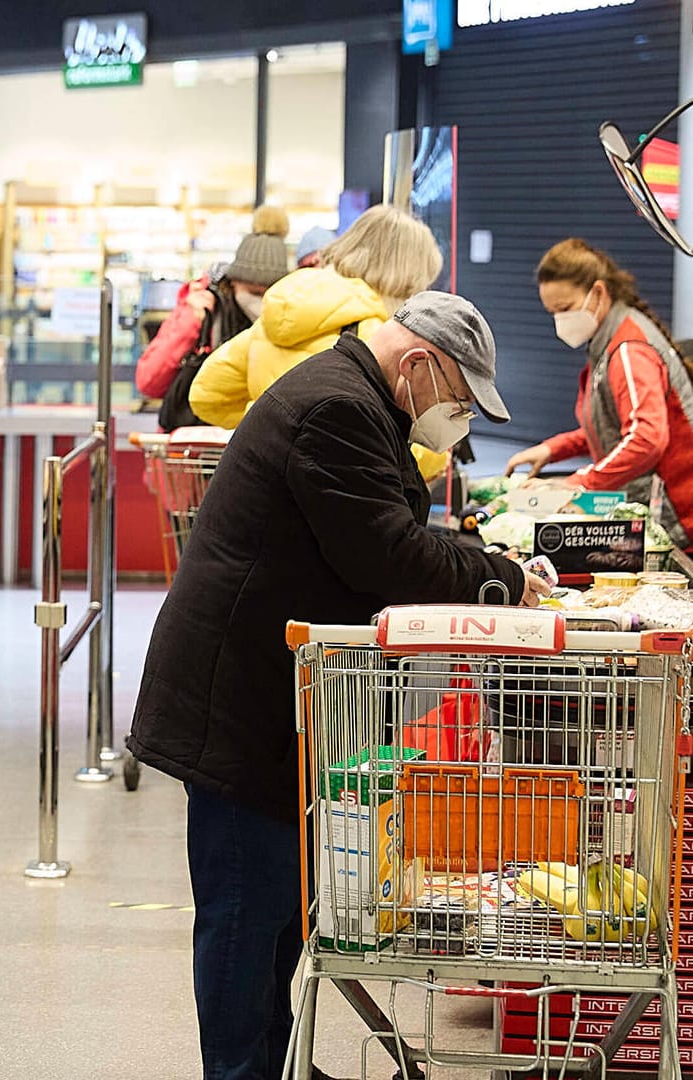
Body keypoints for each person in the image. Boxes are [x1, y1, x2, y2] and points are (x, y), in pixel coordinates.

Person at [129, 292, 550, 1080]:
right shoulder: (335, 407)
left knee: (277, 915)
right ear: (420, 364)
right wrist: (501, 580)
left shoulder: (355, 396)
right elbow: (385, 555)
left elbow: (379, 537)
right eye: (458, 401)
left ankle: (269, 1059)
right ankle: (239, 1071)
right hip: (239, 700)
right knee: (245, 915)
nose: (455, 421)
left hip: (271, 694)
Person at [189, 203, 453, 481]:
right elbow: (396, 444)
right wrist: (437, 458)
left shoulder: (278, 311)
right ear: (408, 279)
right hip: (324, 494)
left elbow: (207, 394)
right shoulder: (377, 337)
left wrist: (264, 420)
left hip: (259, 480)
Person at [505, 237, 693, 548]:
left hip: (679, 519)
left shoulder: (630, 350)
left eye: (564, 309)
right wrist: (553, 449)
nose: (559, 321)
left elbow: (646, 437)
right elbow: (612, 426)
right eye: (552, 312)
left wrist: (580, 483)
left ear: (598, 292)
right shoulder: (607, 343)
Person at [134, 211, 292, 406]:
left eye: (268, 293)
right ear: (232, 283)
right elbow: (148, 381)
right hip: (198, 431)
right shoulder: (204, 308)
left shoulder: (288, 321)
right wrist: (190, 324)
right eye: (253, 292)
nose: (258, 303)